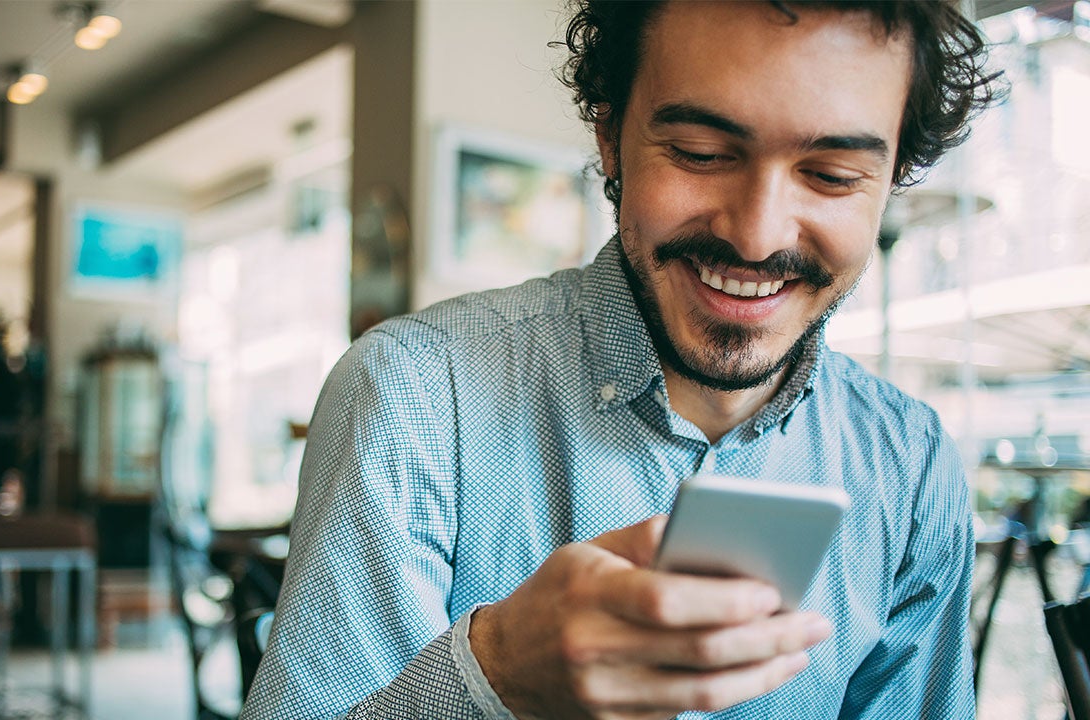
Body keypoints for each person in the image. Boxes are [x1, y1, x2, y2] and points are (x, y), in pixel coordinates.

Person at [241, 1, 1001, 718]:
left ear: (892, 179)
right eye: (701, 154)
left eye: (832, 175)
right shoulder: (413, 394)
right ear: (610, 137)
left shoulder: (910, 462)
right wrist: (496, 679)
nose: (757, 235)